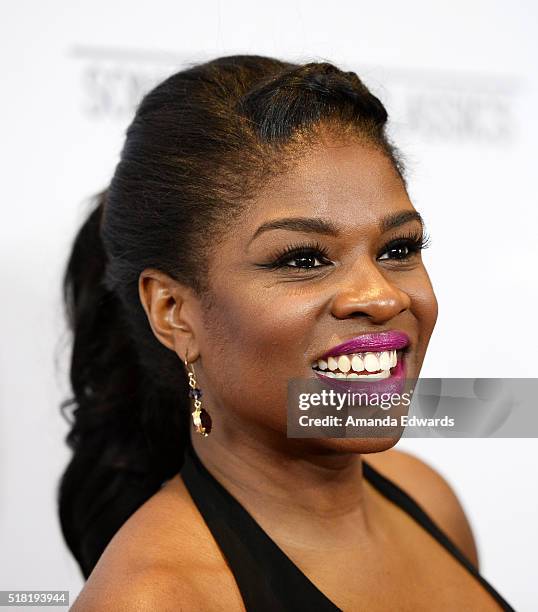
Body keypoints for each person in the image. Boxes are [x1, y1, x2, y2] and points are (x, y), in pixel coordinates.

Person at [60, 55, 514, 610]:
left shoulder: (428, 497)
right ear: (174, 311)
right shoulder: (154, 598)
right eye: (302, 259)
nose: (382, 296)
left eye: (398, 249)